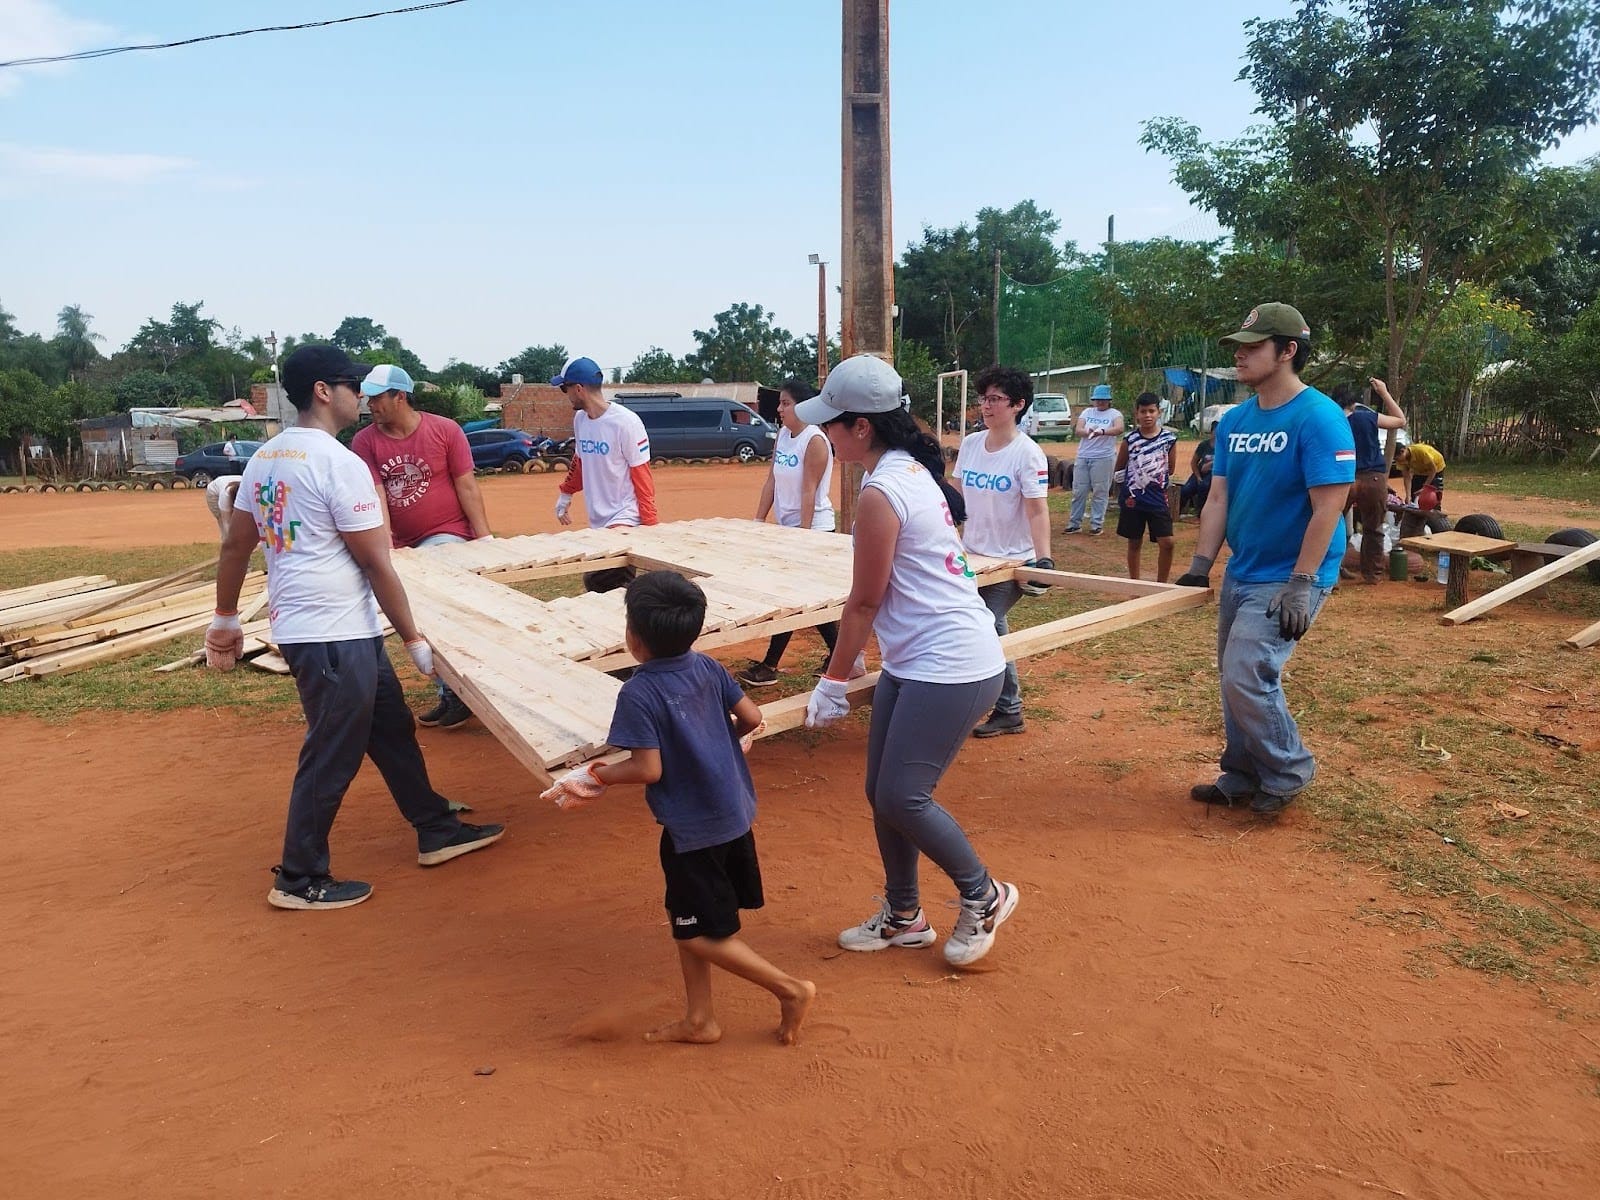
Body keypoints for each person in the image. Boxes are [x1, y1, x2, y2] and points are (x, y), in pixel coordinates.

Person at [205, 345, 504, 911]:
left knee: (389, 727)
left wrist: (225, 619)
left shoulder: (267, 457)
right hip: (331, 632)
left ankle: (434, 827)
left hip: (329, 627)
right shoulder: (338, 463)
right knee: (332, 751)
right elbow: (377, 561)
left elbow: (235, 544)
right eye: (352, 386)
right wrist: (414, 639)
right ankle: (298, 877)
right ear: (323, 390)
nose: (360, 399)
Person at [796, 354, 1019, 969]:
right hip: (917, 659)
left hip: (952, 664)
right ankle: (903, 917)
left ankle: (985, 894)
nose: (825, 434)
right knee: (882, 791)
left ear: (860, 427)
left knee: (902, 795)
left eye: (832, 424)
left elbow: (864, 601)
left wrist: (833, 680)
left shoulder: (884, 490)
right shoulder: (902, 471)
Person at [542, 571, 815, 1046]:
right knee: (688, 920)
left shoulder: (639, 692)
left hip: (694, 831)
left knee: (694, 934)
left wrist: (597, 776)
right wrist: (716, 742)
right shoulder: (707, 667)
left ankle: (789, 989)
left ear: (633, 637)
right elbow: (751, 719)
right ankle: (700, 1020)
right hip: (731, 812)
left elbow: (648, 769)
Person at [1174, 303, 1355, 817]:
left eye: (1253, 346)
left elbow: (1329, 507)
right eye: (1240, 345)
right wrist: (1199, 564)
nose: (1240, 354)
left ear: (1288, 351)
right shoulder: (1235, 421)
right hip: (1244, 569)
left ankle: (1288, 769)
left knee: (1247, 670)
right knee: (1232, 678)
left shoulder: (1319, 418)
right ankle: (1242, 773)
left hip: (1291, 574)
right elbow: (1217, 498)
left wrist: (1303, 581)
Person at [351, 363, 492, 730]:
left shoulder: (445, 430)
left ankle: (457, 692)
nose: (370, 405)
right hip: (400, 543)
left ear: (400, 396)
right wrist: (386, 547)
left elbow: (466, 485)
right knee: (419, 619)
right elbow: (377, 494)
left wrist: (485, 539)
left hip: (447, 534)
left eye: (378, 397)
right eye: (367, 397)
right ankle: (453, 690)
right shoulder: (365, 441)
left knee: (439, 613)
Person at [952, 364, 1053, 738]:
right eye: (984, 398)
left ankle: (1002, 705)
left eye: (996, 399)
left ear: (1018, 405)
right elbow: (955, 498)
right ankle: (1003, 705)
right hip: (971, 557)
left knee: (984, 623)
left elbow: (1037, 509)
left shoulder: (1028, 454)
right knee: (988, 627)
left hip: (1012, 562)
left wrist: (1043, 561)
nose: (986, 406)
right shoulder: (971, 444)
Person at [739, 377, 840, 687]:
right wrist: (758, 521)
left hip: (815, 530)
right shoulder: (784, 434)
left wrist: (803, 537)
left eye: (786, 403)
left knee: (793, 598)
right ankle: (842, 656)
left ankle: (771, 664)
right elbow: (772, 480)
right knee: (803, 599)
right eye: (780, 403)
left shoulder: (815, 441)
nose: (780, 409)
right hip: (788, 530)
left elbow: (809, 491)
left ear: (803, 406)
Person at [551, 356, 657, 592]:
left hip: (624, 516)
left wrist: (652, 530)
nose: (565, 394)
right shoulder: (580, 420)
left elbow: (643, 479)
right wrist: (566, 494)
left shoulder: (626, 423)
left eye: (564, 388)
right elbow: (580, 461)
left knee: (600, 581)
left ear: (578, 389)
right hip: (599, 520)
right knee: (605, 587)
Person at [1338, 378, 1408, 584]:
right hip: (1373, 478)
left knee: (1331, 525)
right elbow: (1400, 420)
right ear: (1354, 403)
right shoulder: (1366, 417)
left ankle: (1331, 575)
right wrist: (1384, 392)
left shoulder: (1333, 420)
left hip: (1344, 478)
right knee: (1373, 528)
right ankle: (1372, 575)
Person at [1115, 392, 1179, 582]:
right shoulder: (1130, 440)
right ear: (1137, 414)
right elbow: (1119, 467)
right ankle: (1135, 584)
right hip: (1134, 499)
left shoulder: (1169, 439)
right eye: (1143, 411)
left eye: (1152, 411)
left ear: (1159, 412)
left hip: (1158, 499)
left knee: (1167, 543)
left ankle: (1161, 585)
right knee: (1134, 542)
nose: (1147, 415)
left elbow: (1171, 468)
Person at [1066, 383, 1124, 535]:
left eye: (1103, 400)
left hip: (1103, 457)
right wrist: (1088, 432)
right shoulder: (1087, 412)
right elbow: (1078, 429)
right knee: (1079, 490)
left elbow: (1119, 428)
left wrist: (1103, 431)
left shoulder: (1114, 414)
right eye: (1097, 399)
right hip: (1084, 455)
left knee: (1100, 491)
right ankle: (1074, 523)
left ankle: (1096, 523)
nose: (1100, 402)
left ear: (1109, 400)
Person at [1395, 440, 1446, 509]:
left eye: (1397, 458)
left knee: (1431, 496)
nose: (1398, 461)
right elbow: (1406, 477)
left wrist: (1425, 487)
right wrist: (1408, 495)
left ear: (1402, 451)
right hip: (1419, 471)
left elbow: (1433, 470)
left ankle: (1435, 512)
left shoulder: (1420, 451)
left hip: (1436, 468)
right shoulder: (1400, 460)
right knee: (1415, 493)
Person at [1178, 435, 1214, 518]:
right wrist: (1198, 477)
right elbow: (1194, 462)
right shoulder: (1204, 445)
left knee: (1204, 486)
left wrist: (1211, 464)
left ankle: (1200, 513)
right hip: (1201, 472)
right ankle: (1177, 511)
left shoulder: (1224, 445)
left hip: (1214, 474)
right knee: (1186, 489)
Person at [204, 475, 241, 539]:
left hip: (228, 484)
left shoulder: (249, 491)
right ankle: (226, 542)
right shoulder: (225, 495)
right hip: (214, 493)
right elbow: (226, 521)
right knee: (222, 519)